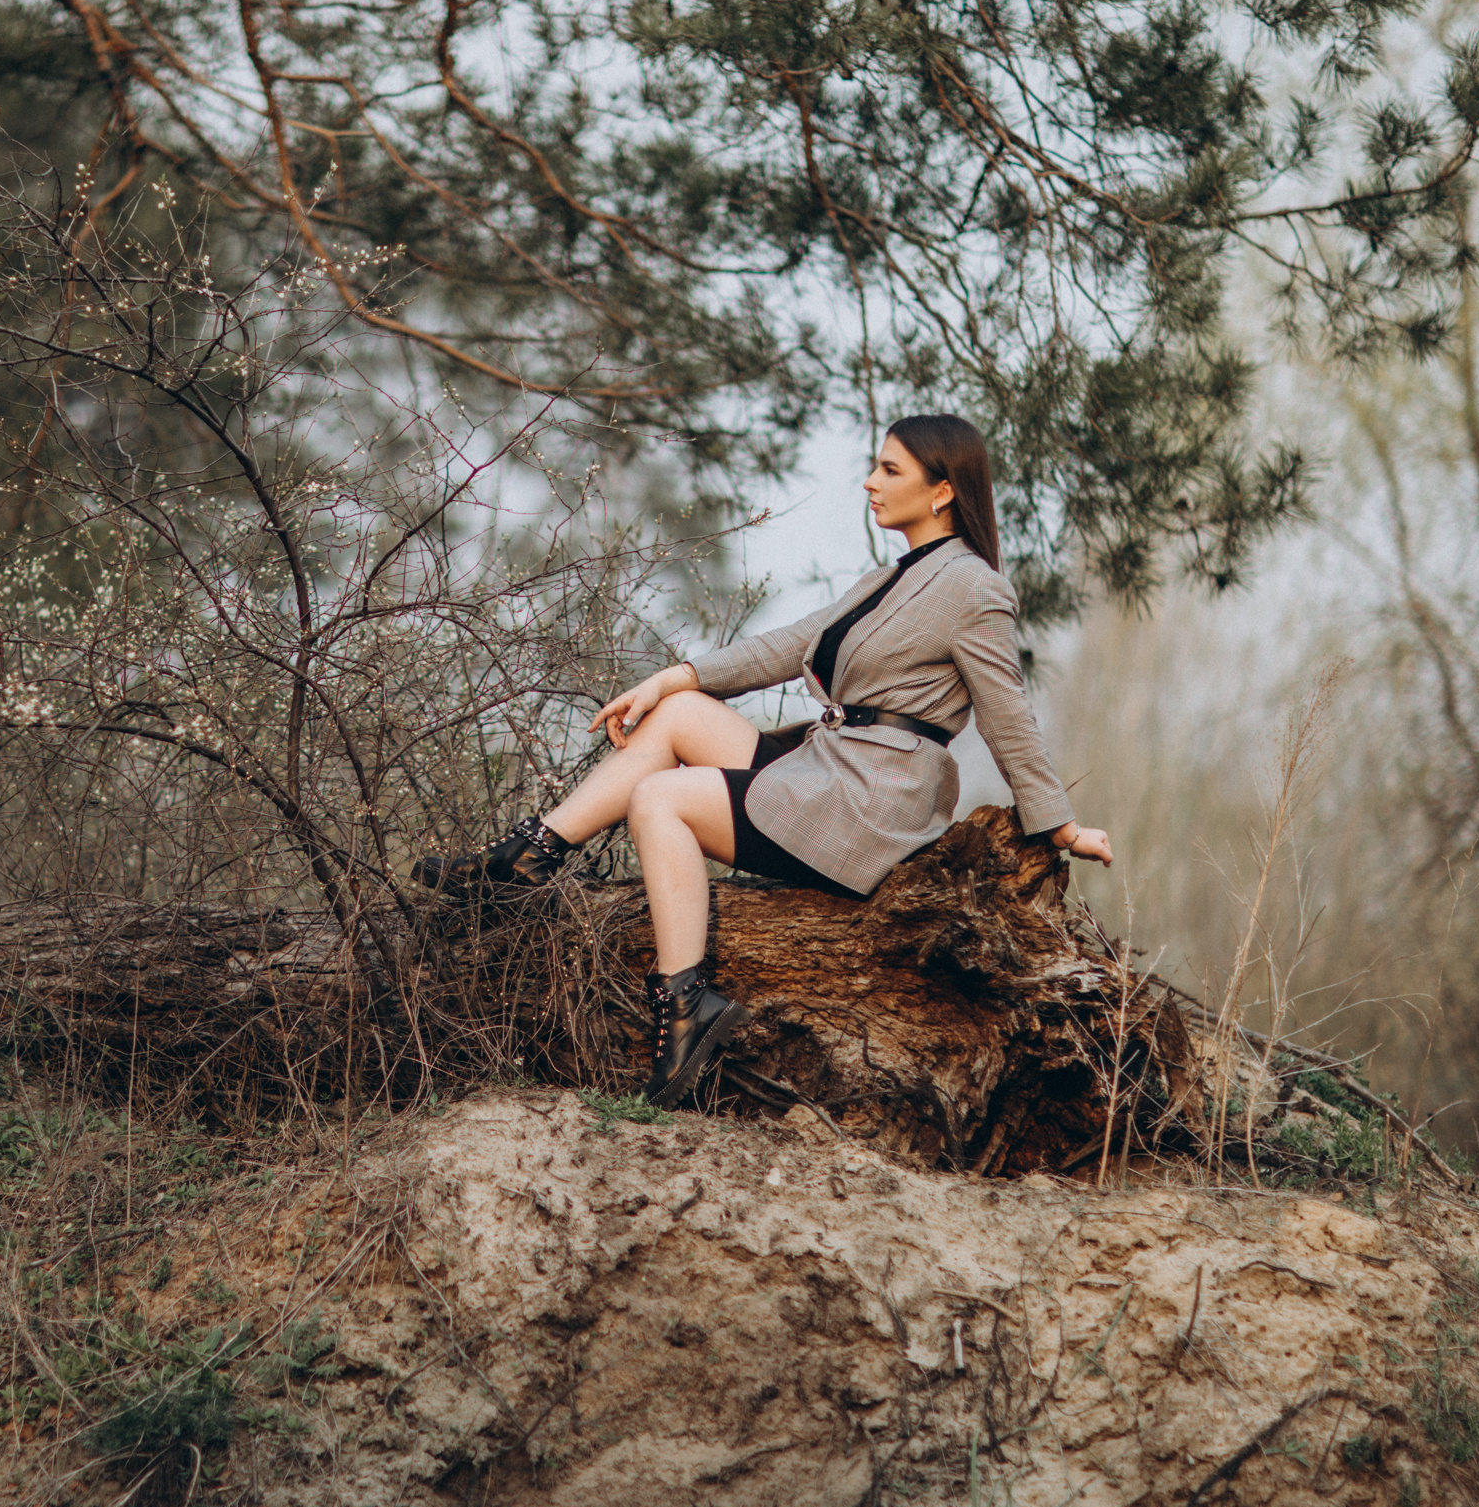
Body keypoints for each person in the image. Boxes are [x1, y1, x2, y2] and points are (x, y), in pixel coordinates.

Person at [415, 414, 1113, 1107]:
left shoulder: (974, 588)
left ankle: (685, 1004)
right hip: (831, 768)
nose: (870, 482)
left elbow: (1007, 713)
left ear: (942, 491)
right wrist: (673, 677)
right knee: (679, 713)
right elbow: (787, 645)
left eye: (890, 469)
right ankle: (529, 856)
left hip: (872, 803)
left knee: (661, 799)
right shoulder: (890, 578)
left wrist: (1059, 826)